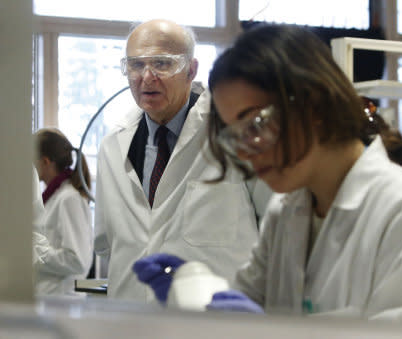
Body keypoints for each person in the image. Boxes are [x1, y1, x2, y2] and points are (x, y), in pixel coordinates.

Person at [133, 24, 402, 323]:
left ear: (314, 103)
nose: (248, 150)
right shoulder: (288, 212)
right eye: (235, 136)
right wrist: (194, 291)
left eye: (256, 124)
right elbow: (244, 309)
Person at [94, 19, 271, 302]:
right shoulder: (112, 146)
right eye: (136, 65)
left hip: (215, 321)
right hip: (131, 318)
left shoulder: (236, 133)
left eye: (162, 64)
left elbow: (277, 229)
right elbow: (105, 244)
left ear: (191, 70)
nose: (147, 77)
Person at [33, 128, 93, 296]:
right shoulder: (52, 197)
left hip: (62, 301)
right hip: (48, 299)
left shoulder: (68, 199)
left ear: (45, 162)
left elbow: (77, 260)